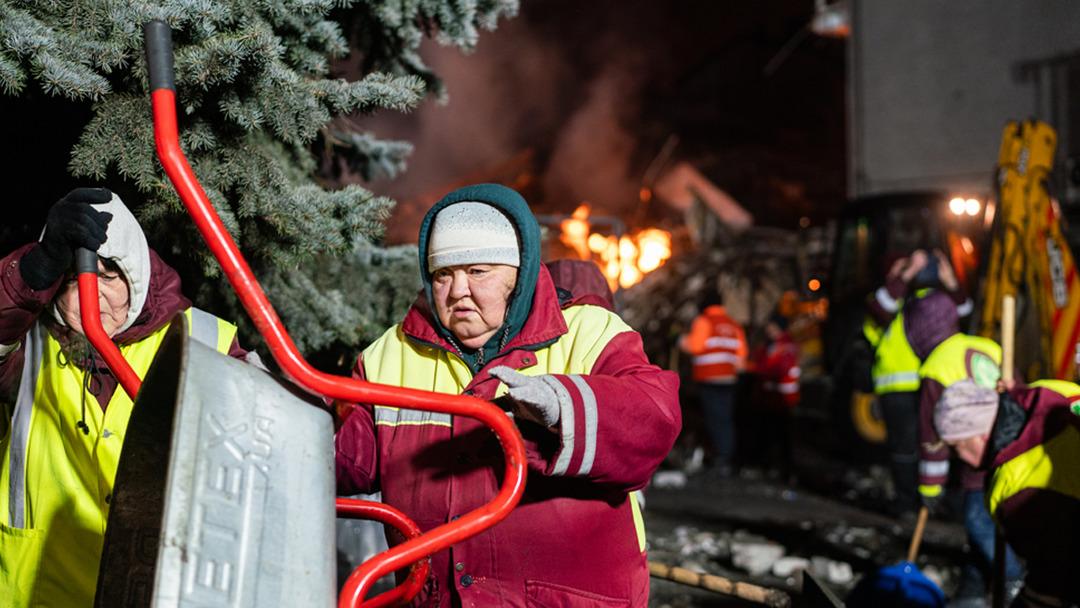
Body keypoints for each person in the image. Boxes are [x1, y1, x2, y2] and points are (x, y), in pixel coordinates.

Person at [334, 183, 681, 607]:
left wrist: (563, 408)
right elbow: (340, 459)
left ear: (520, 272)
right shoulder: (389, 355)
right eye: (444, 274)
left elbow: (655, 418)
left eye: (478, 272)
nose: (458, 290)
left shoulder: (589, 332)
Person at [0, 188, 255, 607]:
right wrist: (33, 270)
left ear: (134, 274)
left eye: (108, 276)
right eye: (72, 279)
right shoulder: (28, 345)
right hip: (42, 593)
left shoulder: (203, 341)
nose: (89, 295)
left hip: (160, 592)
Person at [906, 291, 1022, 605]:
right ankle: (973, 590)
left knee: (977, 520)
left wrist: (930, 489)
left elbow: (933, 440)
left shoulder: (936, 367)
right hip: (1008, 447)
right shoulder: (986, 345)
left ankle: (1013, 579)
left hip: (976, 457)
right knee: (986, 528)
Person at [934, 380, 1080, 607]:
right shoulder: (1051, 392)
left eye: (956, 446)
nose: (957, 458)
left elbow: (1052, 582)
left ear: (980, 435)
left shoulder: (1020, 490)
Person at [864, 249, 972, 517]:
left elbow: (964, 310)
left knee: (933, 444)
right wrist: (908, 271)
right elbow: (882, 306)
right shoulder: (887, 300)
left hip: (928, 383)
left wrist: (950, 281)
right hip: (897, 388)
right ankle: (907, 503)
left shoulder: (927, 301)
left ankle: (933, 501)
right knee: (904, 449)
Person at [680, 292, 747, 477]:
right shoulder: (734, 325)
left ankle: (721, 458)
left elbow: (695, 346)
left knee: (714, 419)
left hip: (709, 378)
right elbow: (741, 358)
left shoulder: (704, 321)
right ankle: (726, 457)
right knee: (725, 418)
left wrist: (680, 340)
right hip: (729, 379)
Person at [749, 313, 800, 477]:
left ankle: (785, 468)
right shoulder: (770, 345)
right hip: (770, 397)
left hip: (782, 398)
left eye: (771, 326)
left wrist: (755, 369)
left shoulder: (786, 346)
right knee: (769, 433)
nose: (768, 329)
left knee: (782, 436)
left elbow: (778, 369)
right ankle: (770, 466)